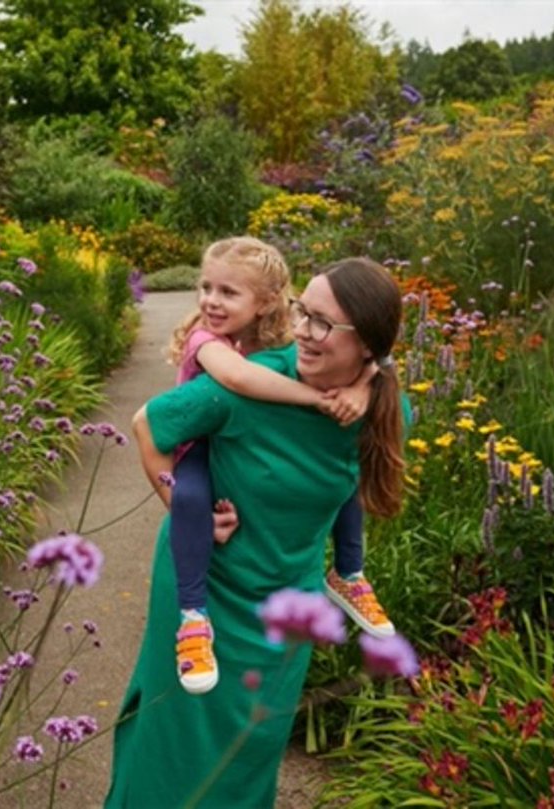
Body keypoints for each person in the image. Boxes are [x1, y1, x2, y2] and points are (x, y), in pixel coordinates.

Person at [107, 256, 407, 808]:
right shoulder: (242, 388)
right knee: (173, 742)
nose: (302, 332)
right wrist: (181, 507)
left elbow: (358, 474)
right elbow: (150, 424)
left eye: (321, 323)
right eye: (302, 314)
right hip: (205, 593)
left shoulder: (381, 409)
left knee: (251, 748)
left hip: (287, 607)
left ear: (367, 345)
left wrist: (367, 387)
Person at [162, 237, 391, 696]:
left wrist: (364, 386)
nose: (210, 300)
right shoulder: (204, 338)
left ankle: (348, 573)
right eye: (205, 287)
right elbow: (237, 378)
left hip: (235, 447)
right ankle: (192, 617)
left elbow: (378, 352)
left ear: (267, 302)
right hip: (196, 447)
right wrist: (316, 399)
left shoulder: (285, 337)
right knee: (186, 499)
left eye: (228, 292)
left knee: (346, 471)